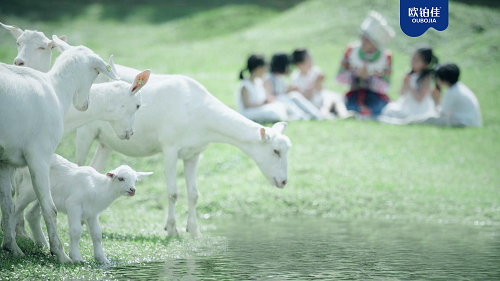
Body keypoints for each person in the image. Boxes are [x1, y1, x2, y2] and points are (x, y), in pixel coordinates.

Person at [336, 11, 395, 119]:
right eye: (362, 37)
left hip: (376, 97)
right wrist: (355, 76)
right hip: (354, 94)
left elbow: (386, 86)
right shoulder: (351, 51)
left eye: (367, 39)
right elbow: (339, 78)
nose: (363, 41)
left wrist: (368, 78)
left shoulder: (386, 57)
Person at [405, 63, 482, 127]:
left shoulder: (452, 92)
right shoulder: (459, 88)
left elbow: (442, 114)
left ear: (443, 79)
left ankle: (407, 122)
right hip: (471, 122)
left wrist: (436, 101)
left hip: (464, 123)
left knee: (430, 118)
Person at [379, 46, 438, 123]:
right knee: (389, 110)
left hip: (419, 107)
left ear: (425, 64)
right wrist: (404, 83)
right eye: (412, 58)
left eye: (416, 60)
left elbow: (420, 98)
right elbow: (402, 93)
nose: (412, 62)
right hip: (406, 104)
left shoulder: (425, 78)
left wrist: (409, 86)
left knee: (414, 118)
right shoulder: (409, 73)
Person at [290, 48, 350, 119]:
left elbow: (321, 89)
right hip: (311, 102)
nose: (311, 62)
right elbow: (303, 98)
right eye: (308, 60)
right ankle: (324, 113)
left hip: (320, 96)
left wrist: (319, 82)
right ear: (300, 64)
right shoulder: (296, 77)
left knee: (335, 98)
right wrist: (314, 84)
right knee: (329, 99)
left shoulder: (315, 70)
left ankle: (344, 114)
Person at [264, 53, 323, 120]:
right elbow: (268, 97)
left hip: (284, 99)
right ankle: (301, 116)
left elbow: (283, 91)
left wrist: (289, 90)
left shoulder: (280, 78)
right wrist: (283, 94)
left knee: (294, 95)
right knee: (282, 98)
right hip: (276, 103)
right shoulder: (269, 78)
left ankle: (316, 114)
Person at [236, 54, 288, 123]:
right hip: (249, 113)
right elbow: (247, 106)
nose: (265, 71)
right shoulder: (245, 85)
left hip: (259, 108)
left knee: (280, 106)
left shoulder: (258, 82)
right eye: (264, 68)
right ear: (258, 68)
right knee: (272, 112)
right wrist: (263, 103)